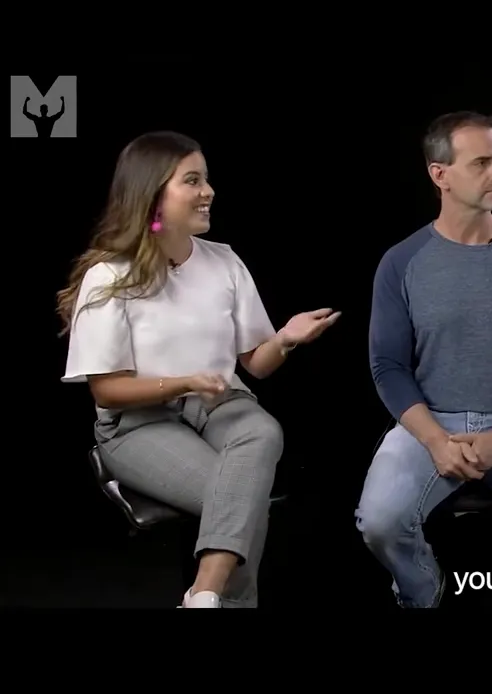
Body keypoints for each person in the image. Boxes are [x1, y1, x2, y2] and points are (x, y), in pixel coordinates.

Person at [58, 131, 340, 609]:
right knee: (238, 494)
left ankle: (202, 596)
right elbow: (107, 391)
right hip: (138, 423)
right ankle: (218, 601)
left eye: (206, 179)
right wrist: (186, 381)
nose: (208, 191)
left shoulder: (224, 262)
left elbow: (257, 364)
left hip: (218, 406)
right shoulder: (110, 276)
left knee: (262, 432)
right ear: (153, 194)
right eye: (193, 180)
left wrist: (285, 339)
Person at [357, 111, 492, 609]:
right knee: (380, 522)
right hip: (428, 424)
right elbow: (388, 366)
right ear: (441, 175)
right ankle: (421, 591)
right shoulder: (402, 262)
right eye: (482, 163)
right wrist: (435, 440)